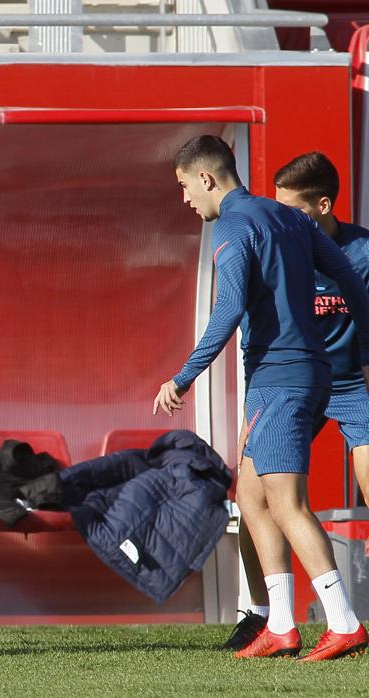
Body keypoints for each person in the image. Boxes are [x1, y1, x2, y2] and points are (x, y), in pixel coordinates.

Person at [155, 136, 369, 661]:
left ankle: (343, 622)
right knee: (250, 494)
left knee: (287, 503)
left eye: (184, 186)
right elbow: (347, 278)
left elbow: (227, 310)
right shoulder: (290, 218)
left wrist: (182, 377)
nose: (184, 199)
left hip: (281, 378)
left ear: (207, 178)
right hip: (307, 373)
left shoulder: (235, 223)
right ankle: (279, 622)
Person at [222, 152, 369, 652]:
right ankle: (266, 615)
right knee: (250, 491)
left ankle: (341, 622)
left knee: (339, 492)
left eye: (294, 207)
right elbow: (249, 319)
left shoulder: (361, 252)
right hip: (292, 384)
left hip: (351, 386)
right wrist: (254, 408)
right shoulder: (282, 243)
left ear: (324, 205)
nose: (282, 214)